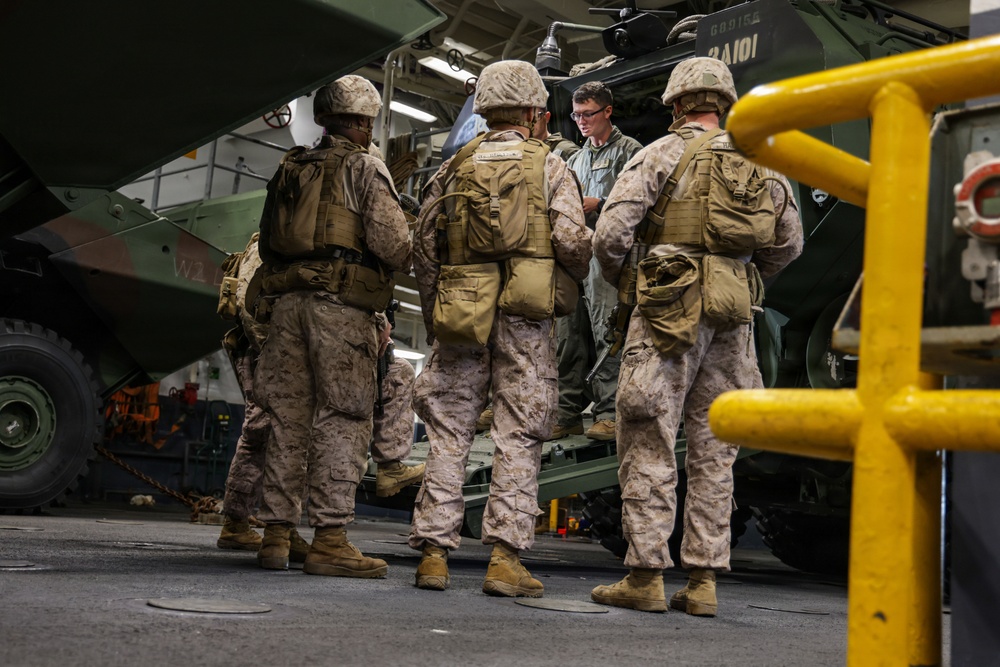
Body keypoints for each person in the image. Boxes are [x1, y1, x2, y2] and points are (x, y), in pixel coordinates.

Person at [589, 57, 803, 615]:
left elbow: (610, 233)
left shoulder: (658, 153)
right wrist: (736, 270)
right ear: (726, 104)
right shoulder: (765, 161)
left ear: (677, 105)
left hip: (666, 308)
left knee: (648, 435)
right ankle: (703, 581)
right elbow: (788, 245)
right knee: (715, 449)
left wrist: (631, 281)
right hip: (734, 311)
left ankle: (645, 575)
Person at [408, 60, 591, 597]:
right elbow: (574, 242)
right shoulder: (549, 166)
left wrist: (437, 311)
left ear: (484, 109)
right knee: (518, 432)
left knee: (448, 429)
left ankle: (434, 556)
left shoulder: (454, 167)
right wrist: (564, 282)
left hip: (461, 313)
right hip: (525, 317)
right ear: (536, 112)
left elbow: (423, 245)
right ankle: (504, 560)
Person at [254, 74, 412, 577]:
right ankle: (330, 540)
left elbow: (266, 240)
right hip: (339, 309)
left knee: (288, 420)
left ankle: (278, 536)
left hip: (286, 305)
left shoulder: (289, 167)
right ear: (364, 121)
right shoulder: (365, 167)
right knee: (343, 418)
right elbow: (394, 246)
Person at [556, 81, 642, 442]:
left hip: (609, 260)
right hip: (577, 256)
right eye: (576, 115)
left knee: (610, 334)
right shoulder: (575, 158)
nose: (581, 121)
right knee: (568, 336)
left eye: (588, 114)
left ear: (608, 111)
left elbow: (639, 203)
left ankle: (610, 413)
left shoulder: (631, 151)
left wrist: (600, 204)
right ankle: (566, 411)